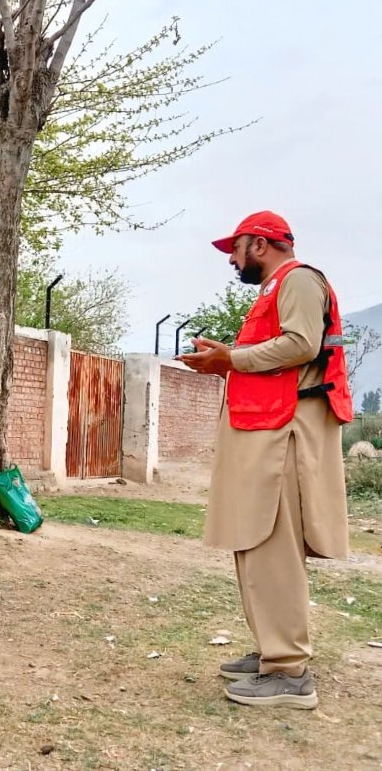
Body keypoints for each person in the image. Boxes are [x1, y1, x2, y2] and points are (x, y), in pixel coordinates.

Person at [178, 211, 353, 710]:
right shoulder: (275, 289)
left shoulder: (297, 280)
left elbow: (302, 345)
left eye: (236, 249)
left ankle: (289, 672)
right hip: (268, 429)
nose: (232, 260)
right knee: (255, 543)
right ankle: (274, 651)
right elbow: (279, 356)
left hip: (283, 436)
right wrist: (226, 358)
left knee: (271, 544)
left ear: (260, 244)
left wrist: (229, 359)